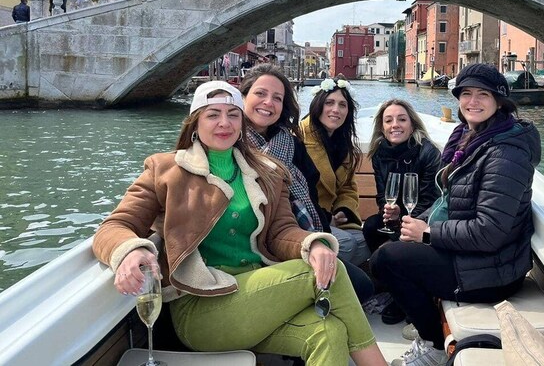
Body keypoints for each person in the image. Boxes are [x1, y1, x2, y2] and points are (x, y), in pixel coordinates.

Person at [92, 81, 386, 365]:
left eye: (233, 114)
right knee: (320, 273)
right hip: (200, 306)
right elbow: (114, 226)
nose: (225, 123)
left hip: (260, 296)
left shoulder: (268, 172)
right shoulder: (165, 169)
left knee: (329, 332)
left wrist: (313, 244)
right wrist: (129, 250)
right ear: (195, 123)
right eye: (213, 114)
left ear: (242, 123)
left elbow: (282, 231)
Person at [371, 63, 541, 366]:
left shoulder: (507, 152)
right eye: (466, 94)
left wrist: (428, 233)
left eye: (482, 94)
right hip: (473, 256)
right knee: (389, 238)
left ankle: (435, 346)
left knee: (386, 260)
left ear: (499, 100)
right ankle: (422, 323)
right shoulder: (468, 135)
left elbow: (490, 231)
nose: (472, 102)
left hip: (492, 270)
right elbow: (448, 202)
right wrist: (416, 221)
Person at [239, 65, 374, 303]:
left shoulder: (290, 143)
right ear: (243, 96)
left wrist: (337, 215)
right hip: (264, 236)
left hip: (299, 229)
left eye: (277, 98)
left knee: (366, 246)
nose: (268, 103)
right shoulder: (231, 139)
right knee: (353, 262)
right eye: (260, 94)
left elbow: (318, 192)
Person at [363, 99, 442, 325]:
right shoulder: (379, 153)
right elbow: (382, 194)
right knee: (371, 226)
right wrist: (388, 210)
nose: (394, 125)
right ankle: (392, 288)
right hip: (399, 215)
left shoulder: (427, 152)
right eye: (388, 120)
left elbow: (431, 199)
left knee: (401, 237)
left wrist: (405, 215)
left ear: (412, 124)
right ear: (382, 126)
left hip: (424, 218)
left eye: (401, 119)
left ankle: (403, 298)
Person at [299, 77, 370, 265]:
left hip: (334, 217)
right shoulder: (299, 138)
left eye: (342, 105)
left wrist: (343, 210)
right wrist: (326, 218)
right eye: (329, 103)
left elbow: (347, 187)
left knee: (365, 242)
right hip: (307, 220)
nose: (336, 110)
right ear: (317, 106)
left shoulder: (342, 144)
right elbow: (294, 191)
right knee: (346, 244)